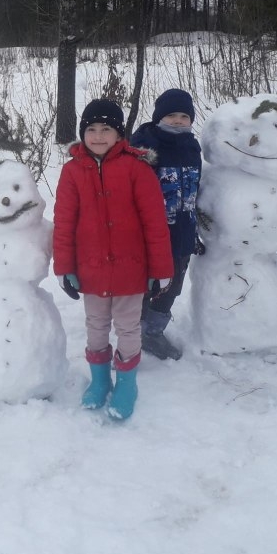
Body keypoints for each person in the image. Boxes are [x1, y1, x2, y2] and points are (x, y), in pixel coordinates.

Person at [53, 99, 173, 420]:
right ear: (82, 133)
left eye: (106, 129)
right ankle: (100, 379)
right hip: (91, 269)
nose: (98, 136)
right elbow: (64, 222)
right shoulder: (72, 171)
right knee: (95, 325)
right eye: (91, 129)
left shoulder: (137, 169)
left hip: (130, 270)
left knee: (128, 327)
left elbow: (155, 223)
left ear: (120, 134)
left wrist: (160, 270)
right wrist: (64, 267)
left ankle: (127, 383)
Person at [131, 89, 203, 361]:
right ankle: (133, 329)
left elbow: (194, 190)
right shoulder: (145, 147)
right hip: (152, 236)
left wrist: (195, 230)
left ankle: (152, 332)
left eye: (184, 116)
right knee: (145, 286)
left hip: (183, 233)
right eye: (171, 115)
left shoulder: (192, 146)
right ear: (159, 117)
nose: (177, 121)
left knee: (173, 287)